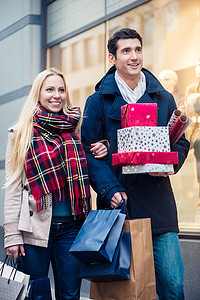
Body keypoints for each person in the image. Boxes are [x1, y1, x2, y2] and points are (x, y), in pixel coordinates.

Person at [81, 28, 190, 299]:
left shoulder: (163, 98)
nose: (134, 56)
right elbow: (87, 152)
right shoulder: (97, 102)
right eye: (126, 51)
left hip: (158, 205)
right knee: (124, 290)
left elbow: (181, 142)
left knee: (173, 287)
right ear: (112, 58)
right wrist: (109, 190)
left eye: (138, 50)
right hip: (119, 208)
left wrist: (167, 165)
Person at [3, 67, 108, 300]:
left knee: (70, 294)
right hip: (33, 229)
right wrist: (12, 236)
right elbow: (13, 188)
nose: (56, 95)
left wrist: (104, 147)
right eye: (49, 89)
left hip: (72, 226)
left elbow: (91, 159)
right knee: (37, 293)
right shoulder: (21, 133)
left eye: (61, 90)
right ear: (38, 93)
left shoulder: (75, 128)